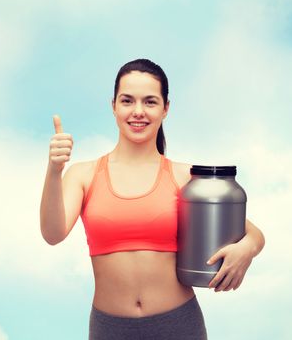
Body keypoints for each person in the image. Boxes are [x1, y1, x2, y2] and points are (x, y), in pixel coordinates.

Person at [40, 58, 265, 340]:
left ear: (165, 108)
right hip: (110, 329)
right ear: (113, 106)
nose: (138, 112)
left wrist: (249, 248)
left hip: (179, 325)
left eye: (150, 101)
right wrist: (54, 169)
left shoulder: (185, 177)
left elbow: (249, 231)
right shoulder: (83, 175)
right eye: (127, 101)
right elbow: (52, 233)